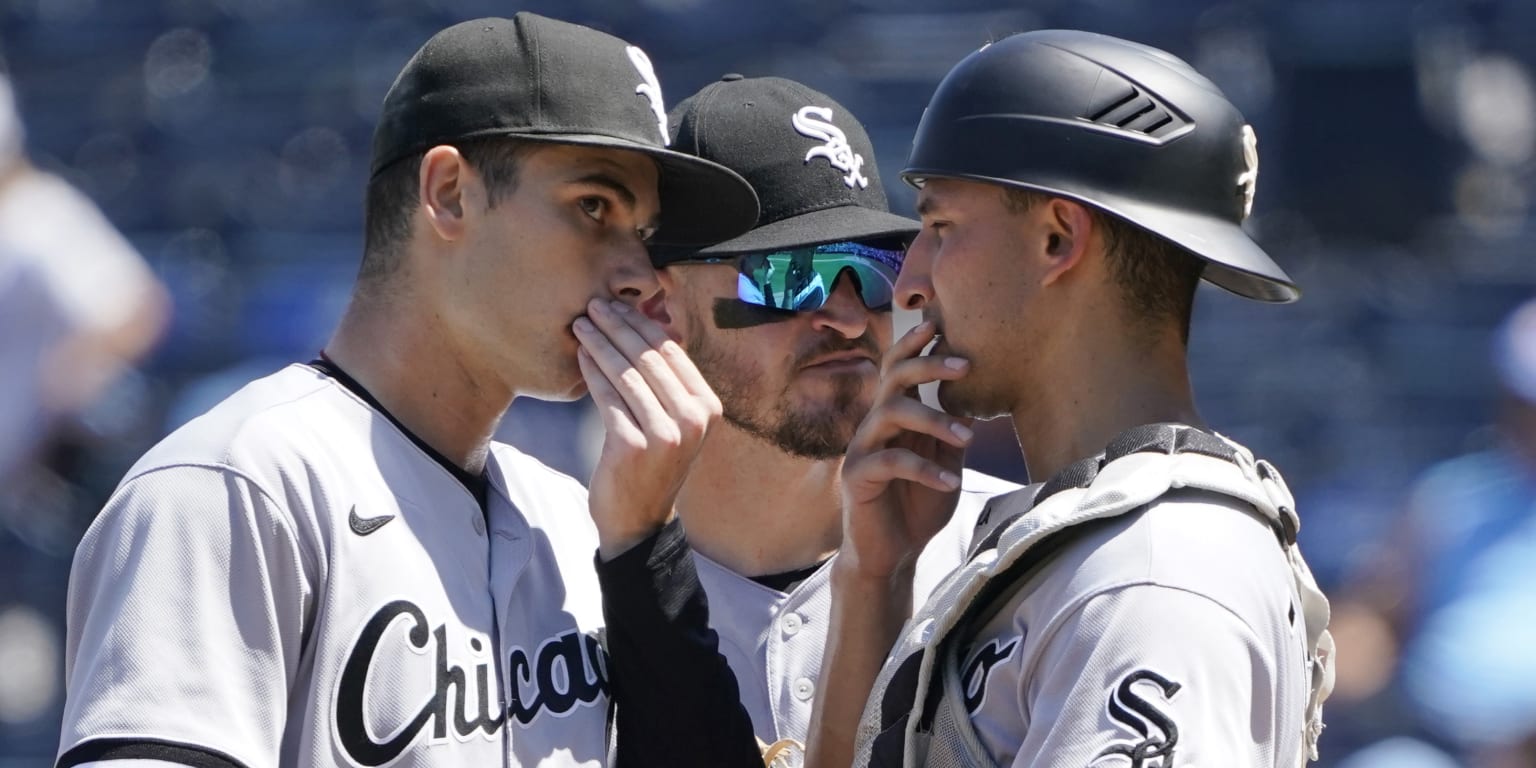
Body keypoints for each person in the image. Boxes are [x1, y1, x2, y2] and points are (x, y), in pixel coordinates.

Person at [55, 13, 757, 768]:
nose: (639, 276)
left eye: (645, 234)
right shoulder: (234, 488)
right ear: (450, 192)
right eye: (595, 207)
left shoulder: (578, 523)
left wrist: (644, 546)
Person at [810, 30, 1336, 768]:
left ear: (1058, 238)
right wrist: (877, 577)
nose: (910, 285)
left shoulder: (1155, 571)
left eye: (939, 226)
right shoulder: (1110, 544)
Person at [591, 74, 1019, 762]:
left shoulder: (1004, 560)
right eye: (791, 274)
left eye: (873, 269)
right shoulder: (564, 591)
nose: (849, 318)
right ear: (655, 307)